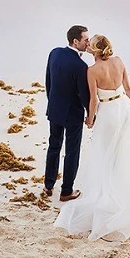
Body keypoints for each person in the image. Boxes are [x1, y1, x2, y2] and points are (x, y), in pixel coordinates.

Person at [54, 34, 130, 241]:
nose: (87, 45)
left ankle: (114, 197)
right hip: (124, 108)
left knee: (107, 156)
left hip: (108, 112)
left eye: (90, 44)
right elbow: (128, 89)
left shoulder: (91, 71)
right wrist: (127, 109)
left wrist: (90, 119)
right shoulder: (118, 61)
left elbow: (93, 100)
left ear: (94, 50)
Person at [43, 25, 92, 202]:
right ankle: (66, 191)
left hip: (55, 108)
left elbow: (48, 80)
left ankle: (48, 185)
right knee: (72, 151)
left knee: (54, 146)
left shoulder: (54, 53)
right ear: (75, 41)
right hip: (72, 114)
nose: (88, 43)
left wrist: (52, 101)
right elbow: (84, 95)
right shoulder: (81, 66)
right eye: (86, 39)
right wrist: (90, 115)